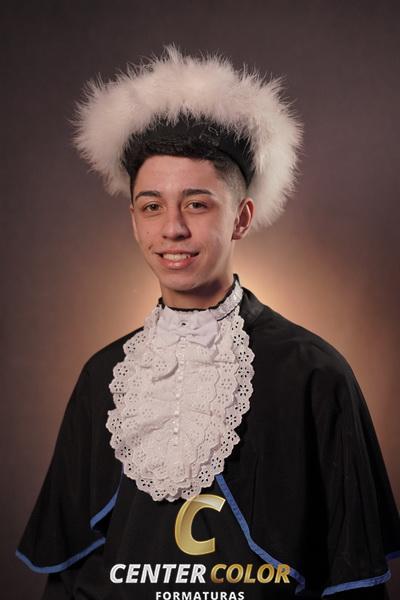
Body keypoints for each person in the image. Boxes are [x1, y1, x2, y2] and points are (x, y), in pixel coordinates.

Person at [16, 45, 400, 599]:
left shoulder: (315, 374)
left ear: (241, 217)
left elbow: (353, 584)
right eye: (152, 206)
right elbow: (73, 578)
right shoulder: (102, 376)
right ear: (134, 219)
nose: (172, 228)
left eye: (197, 204)